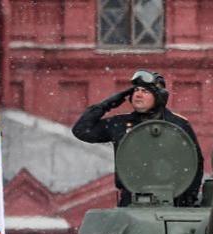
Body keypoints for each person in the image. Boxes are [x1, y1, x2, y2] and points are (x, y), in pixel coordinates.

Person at [72, 70, 203, 207]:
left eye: (145, 92)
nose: (138, 95)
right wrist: (107, 104)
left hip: (172, 200)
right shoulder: (121, 124)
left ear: (159, 97)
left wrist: (189, 197)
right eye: (136, 90)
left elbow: (194, 162)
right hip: (132, 200)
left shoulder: (177, 125)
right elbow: (81, 130)